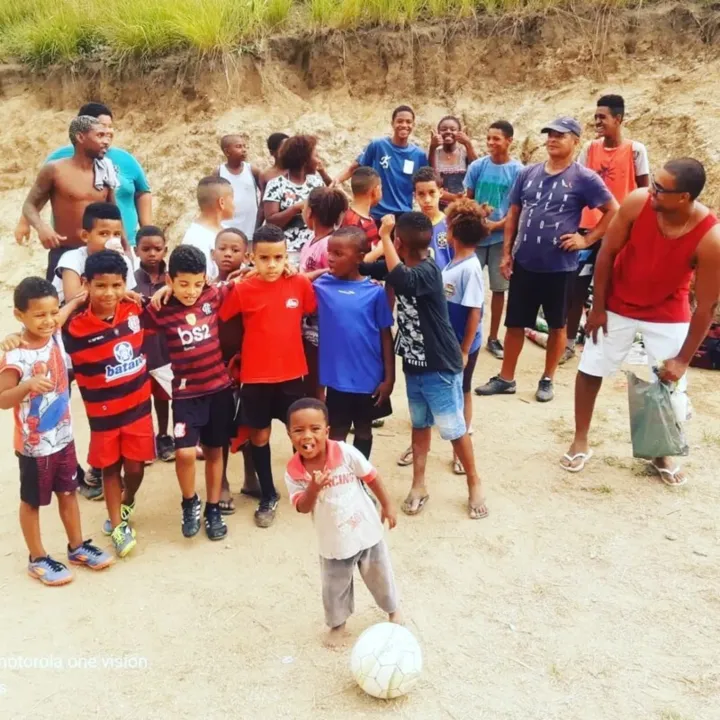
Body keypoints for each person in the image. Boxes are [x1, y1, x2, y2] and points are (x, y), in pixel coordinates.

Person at [561, 158, 720, 485]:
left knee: (669, 383)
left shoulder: (710, 238)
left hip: (667, 309)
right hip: (618, 301)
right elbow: (606, 252)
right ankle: (580, 439)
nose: (651, 192)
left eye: (660, 189)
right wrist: (598, 307)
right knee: (591, 365)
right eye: (653, 184)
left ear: (684, 198)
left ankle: (660, 451)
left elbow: (706, 307)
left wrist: (683, 360)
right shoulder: (638, 202)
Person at [475, 117, 618, 403]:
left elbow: (613, 209)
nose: (552, 139)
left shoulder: (584, 178)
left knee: (557, 325)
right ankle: (506, 378)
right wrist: (507, 253)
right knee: (514, 323)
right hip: (525, 263)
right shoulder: (527, 173)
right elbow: (514, 213)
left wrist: (586, 240)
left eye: (560, 135)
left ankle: (547, 379)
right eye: (550, 134)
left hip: (560, 267)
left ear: (575, 141)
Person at [363, 213, 488, 519]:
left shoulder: (428, 271)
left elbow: (403, 280)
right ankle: (419, 485)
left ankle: (474, 482)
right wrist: (385, 243)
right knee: (419, 426)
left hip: (440, 366)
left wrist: (384, 236)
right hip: (414, 364)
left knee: (454, 429)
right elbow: (364, 265)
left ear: (399, 242)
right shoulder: (402, 266)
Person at [0, 278, 113, 585]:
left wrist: (78, 299)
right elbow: (2, 398)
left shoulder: (55, 332)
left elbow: (64, 311)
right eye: (39, 315)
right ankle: (37, 559)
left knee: (68, 492)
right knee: (33, 501)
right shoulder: (14, 356)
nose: (48, 320)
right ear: (19, 315)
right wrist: (27, 386)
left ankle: (76, 547)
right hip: (34, 447)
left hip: (63, 438)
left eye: (51, 313)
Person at [218, 224, 316, 528]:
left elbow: (311, 304)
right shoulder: (242, 289)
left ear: (287, 256)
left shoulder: (299, 284)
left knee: (300, 434)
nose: (271, 265)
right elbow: (221, 314)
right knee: (259, 436)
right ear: (252, 257)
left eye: (278, 257)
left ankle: (309, 488)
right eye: (264, 258)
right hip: (256, 377)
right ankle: (268, 495)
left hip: (292, 374)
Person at [61, 251, 155, 557]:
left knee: (136, 468)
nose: (109, 293)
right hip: (103, 417)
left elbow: (164, 300)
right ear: (87, 283)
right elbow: (48, 325)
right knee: (111, 469)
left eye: (117, 285)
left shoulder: (133, 308)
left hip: (138, 408)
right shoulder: (74, 326)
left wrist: (131, 293)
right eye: (100, 286)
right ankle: (118, 525)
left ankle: (126, 503)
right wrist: (76, 300)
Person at [284, 398, 400, 645]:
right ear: (289, 434)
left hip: (366, 530)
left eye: (315, 429)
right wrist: (313, 488)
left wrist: (388, 505)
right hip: (333, 540)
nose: (307, 436)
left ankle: (393, 610)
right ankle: (338, 625)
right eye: (298, 430)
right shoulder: (294, 472)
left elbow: (371, 477)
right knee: (334, 587)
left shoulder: (345, 453)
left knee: (380, 576)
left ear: (327, 431)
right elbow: (302, 507)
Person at [145, 245, 236, 541]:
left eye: (197, 283)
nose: (191, 291)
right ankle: (189, 502)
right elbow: (134, 315)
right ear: (170, 280)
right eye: (183, 284)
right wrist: (156, 294)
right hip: (185, 394)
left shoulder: (213, 294)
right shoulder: (161, 308)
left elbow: (238, 280)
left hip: (219, 389)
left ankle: (212, 507)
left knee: (215, 450)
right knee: (184, 452)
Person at [561, 95, 650, 364]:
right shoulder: (590, 148)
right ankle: (568, 343)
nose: (597, 121)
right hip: (587, 229)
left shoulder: (636, 150)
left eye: (603, 117)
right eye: (596, 116)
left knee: (614, 289)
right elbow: (578, 185)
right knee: (576, 288)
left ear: (618, 119)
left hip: (620, 233)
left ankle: (605, 344)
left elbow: (645, 192)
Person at [16, 102, 152, 249]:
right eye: (101, 128)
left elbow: (138, 195)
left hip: (112, 246)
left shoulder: (119, 162)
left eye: (110, 127)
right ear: (82, 133)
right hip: (67, 245)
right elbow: (38, 195)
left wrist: (143, 235)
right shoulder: (57, 162)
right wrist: (28, 223)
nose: (108, 133)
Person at [313, 227, 395, 459]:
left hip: (369, 379)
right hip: (336, 380)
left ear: (360, 257)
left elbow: (385, 336)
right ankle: (337, 481)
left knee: (363, 429)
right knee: (336, 431)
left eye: (338, 254)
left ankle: (359, 481)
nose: (330, 258)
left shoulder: (374, 292)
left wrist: (389, 378)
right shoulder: (321, 286)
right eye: (330, 252)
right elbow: (297, 282)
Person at [20, 115, 114, 282]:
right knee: (59, 305)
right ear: (80, 137)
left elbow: (114, 214)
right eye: (100, 135)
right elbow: (29, 205)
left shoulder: (105, 171)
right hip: (64, 252)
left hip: (100, 254)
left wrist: (124, 248)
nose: (106, 141)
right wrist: (42, 228)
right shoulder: (55, 170)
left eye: (107, 136)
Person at [210, 228, 261, 514]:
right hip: (218, 367)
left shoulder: (251, 284)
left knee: (252, 423)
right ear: (213, 253)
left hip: (250, 364)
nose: (228, 254)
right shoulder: (205, 287)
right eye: (223, 248)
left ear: (247, 255)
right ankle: (224, 482)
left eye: (235, 249)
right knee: (222, 425)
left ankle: (251, 479)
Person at [464, 120, 524, 359]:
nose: (490, 143)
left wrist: (496, 225)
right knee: (469, 287)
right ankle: (467, 332)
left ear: (509, 141)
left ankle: (492, 337)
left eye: (496, 139)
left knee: (499, 290)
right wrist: (479, 222)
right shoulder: (477, 167)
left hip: (502, 240)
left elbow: (517, 209)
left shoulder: (518, 171)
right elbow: (467, 199)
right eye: (488, 138)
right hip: (476, 238)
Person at [442, 200, 488, 475]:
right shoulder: (455, 259)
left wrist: (465, 348)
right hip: (453, 340)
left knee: (463, 391)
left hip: (462, 343)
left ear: (453, 232)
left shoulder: (470, 268)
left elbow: (475, 312)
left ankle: (461, 448)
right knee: (456, 392)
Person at [334, 106, 429, 222]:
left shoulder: (419, 154)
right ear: (392, 124)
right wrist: (337, 180)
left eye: (408, 122)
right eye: (400, 121)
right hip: (376, 214)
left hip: (403, 216)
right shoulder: (377, 145)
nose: (404, 125)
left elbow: (426, 183)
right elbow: (354, 167)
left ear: (413, 125)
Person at [299, 187, 349, 399]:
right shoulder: (310, 241)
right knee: (312, 378)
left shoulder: (328, 244)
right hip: (309, 321)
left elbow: (335, 275)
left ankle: (321, 419)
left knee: (317, 380)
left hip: (321, 324)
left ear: (310, 212)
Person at [133, 225, 174, 462]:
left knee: (162, 395)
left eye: (157, 249)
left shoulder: (171, 277)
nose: (152, 254)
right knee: (141, 396)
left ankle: (163, 435)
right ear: (137, 251)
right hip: (139, 344)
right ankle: (145, 440)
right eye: (146, 249)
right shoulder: (130, 279)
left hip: (165, 345)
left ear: (165, 250)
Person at [53, 202, 136, 303]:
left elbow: (127, 296)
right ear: (85, 236)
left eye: (117, 234)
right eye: (104, 234)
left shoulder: (123, 261)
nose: (111, 240)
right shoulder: (72, 259)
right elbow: (72, 300)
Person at [262, 135, 325, 266]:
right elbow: (271, 221)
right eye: (315, 156)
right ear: (304, 160)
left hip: (313, 250)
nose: (318, 160)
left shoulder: (316, 183)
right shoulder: (276, 185)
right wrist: (296, 208)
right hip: (287, 254)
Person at [181, 176, 235, 281]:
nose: (235, 205)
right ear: (222, 202)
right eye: (232, 199)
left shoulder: (227, 231)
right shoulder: (196, 239)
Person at [215, 134, 261, 238]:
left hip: (251, 227)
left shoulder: (251, 170)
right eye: (239, 147)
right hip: (227, 226)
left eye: (245, 146)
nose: (244, 150)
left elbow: (265, 192)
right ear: (227, 152)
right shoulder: (219, 172)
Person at [429, 115, 477, 209]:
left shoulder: (465, 154)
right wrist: (432, 148)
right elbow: (434, 181)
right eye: (444, 129)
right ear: (438, 132)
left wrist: (468, 144)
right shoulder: (434, 154)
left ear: (460, 132)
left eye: (453, 129)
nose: (448, 132)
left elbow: (477, 171)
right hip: (439, 209)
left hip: (462, 208)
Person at [413, 166, 452, 269]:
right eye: (421, 194)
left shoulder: (451, 225)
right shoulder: (411, 227)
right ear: (415, 196)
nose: (427, 200)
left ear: (441, 192)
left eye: (432, 193)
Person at [341, 167, 382, 251]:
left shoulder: (348, 214)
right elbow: (351, 260)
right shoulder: (355, 223)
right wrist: (379, 250)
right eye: (381, 189)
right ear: (375, 191)